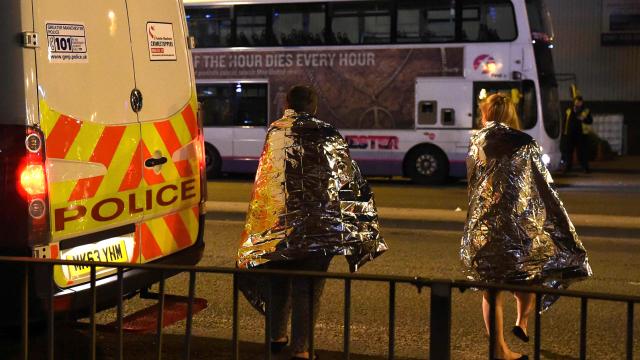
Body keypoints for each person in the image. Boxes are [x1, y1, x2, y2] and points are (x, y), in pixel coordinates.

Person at [237, 85, 388, 360]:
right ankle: (302, 348)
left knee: (278, 281)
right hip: (318, 229)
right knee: (308, 287)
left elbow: (266, 182)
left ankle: (276, 337)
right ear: (314, 106)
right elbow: (345, 177)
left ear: (287, 104)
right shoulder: (327, 133)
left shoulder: (275, 132)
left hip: (277, 226)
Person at [461, 94, 592, 360]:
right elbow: (543, 189)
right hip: (518, 230)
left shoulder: (476, 142)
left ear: (485, 114)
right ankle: (521, 322)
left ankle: (499, 349)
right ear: (512, 114)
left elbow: (472, 185)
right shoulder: (525, 143)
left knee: (492, 290)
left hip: (483, 229)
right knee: (530, 276)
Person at [562, 96, 593, 173]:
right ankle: (568, 168)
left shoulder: (586, 111)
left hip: (581, 135)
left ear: (582, 103)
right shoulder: (568, 110)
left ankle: (585, 168)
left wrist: (584, 119)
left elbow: (590, 121)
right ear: (574, 102)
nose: (578, 103)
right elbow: (565, 121)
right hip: (570, 134)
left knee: (582, 152)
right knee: (569, 152)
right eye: (576, 102)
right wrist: (563, 132)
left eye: (579, 102)